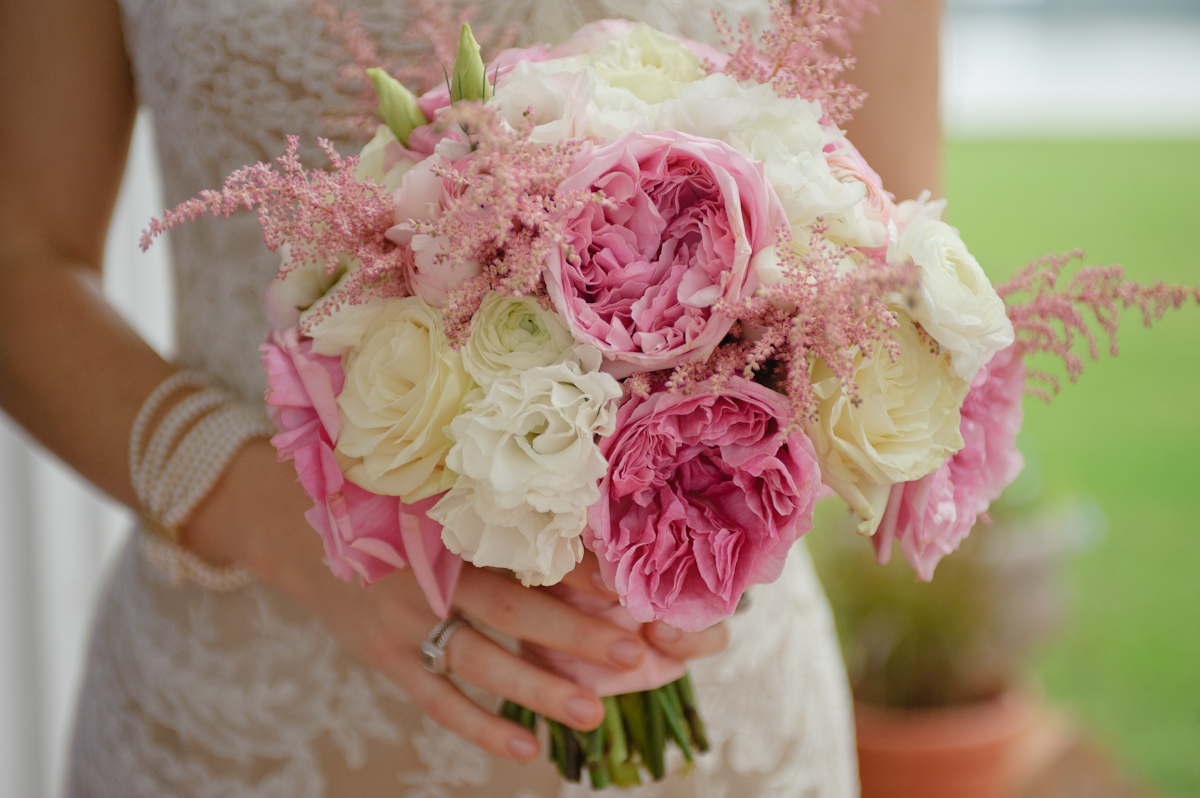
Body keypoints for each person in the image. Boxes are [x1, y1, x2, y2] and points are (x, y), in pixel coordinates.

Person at [0, 0, 940, 794]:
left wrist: (691, 506)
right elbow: (19, 260)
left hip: (715, 717)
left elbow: (889, 283)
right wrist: (289, 526)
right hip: (234, 711)